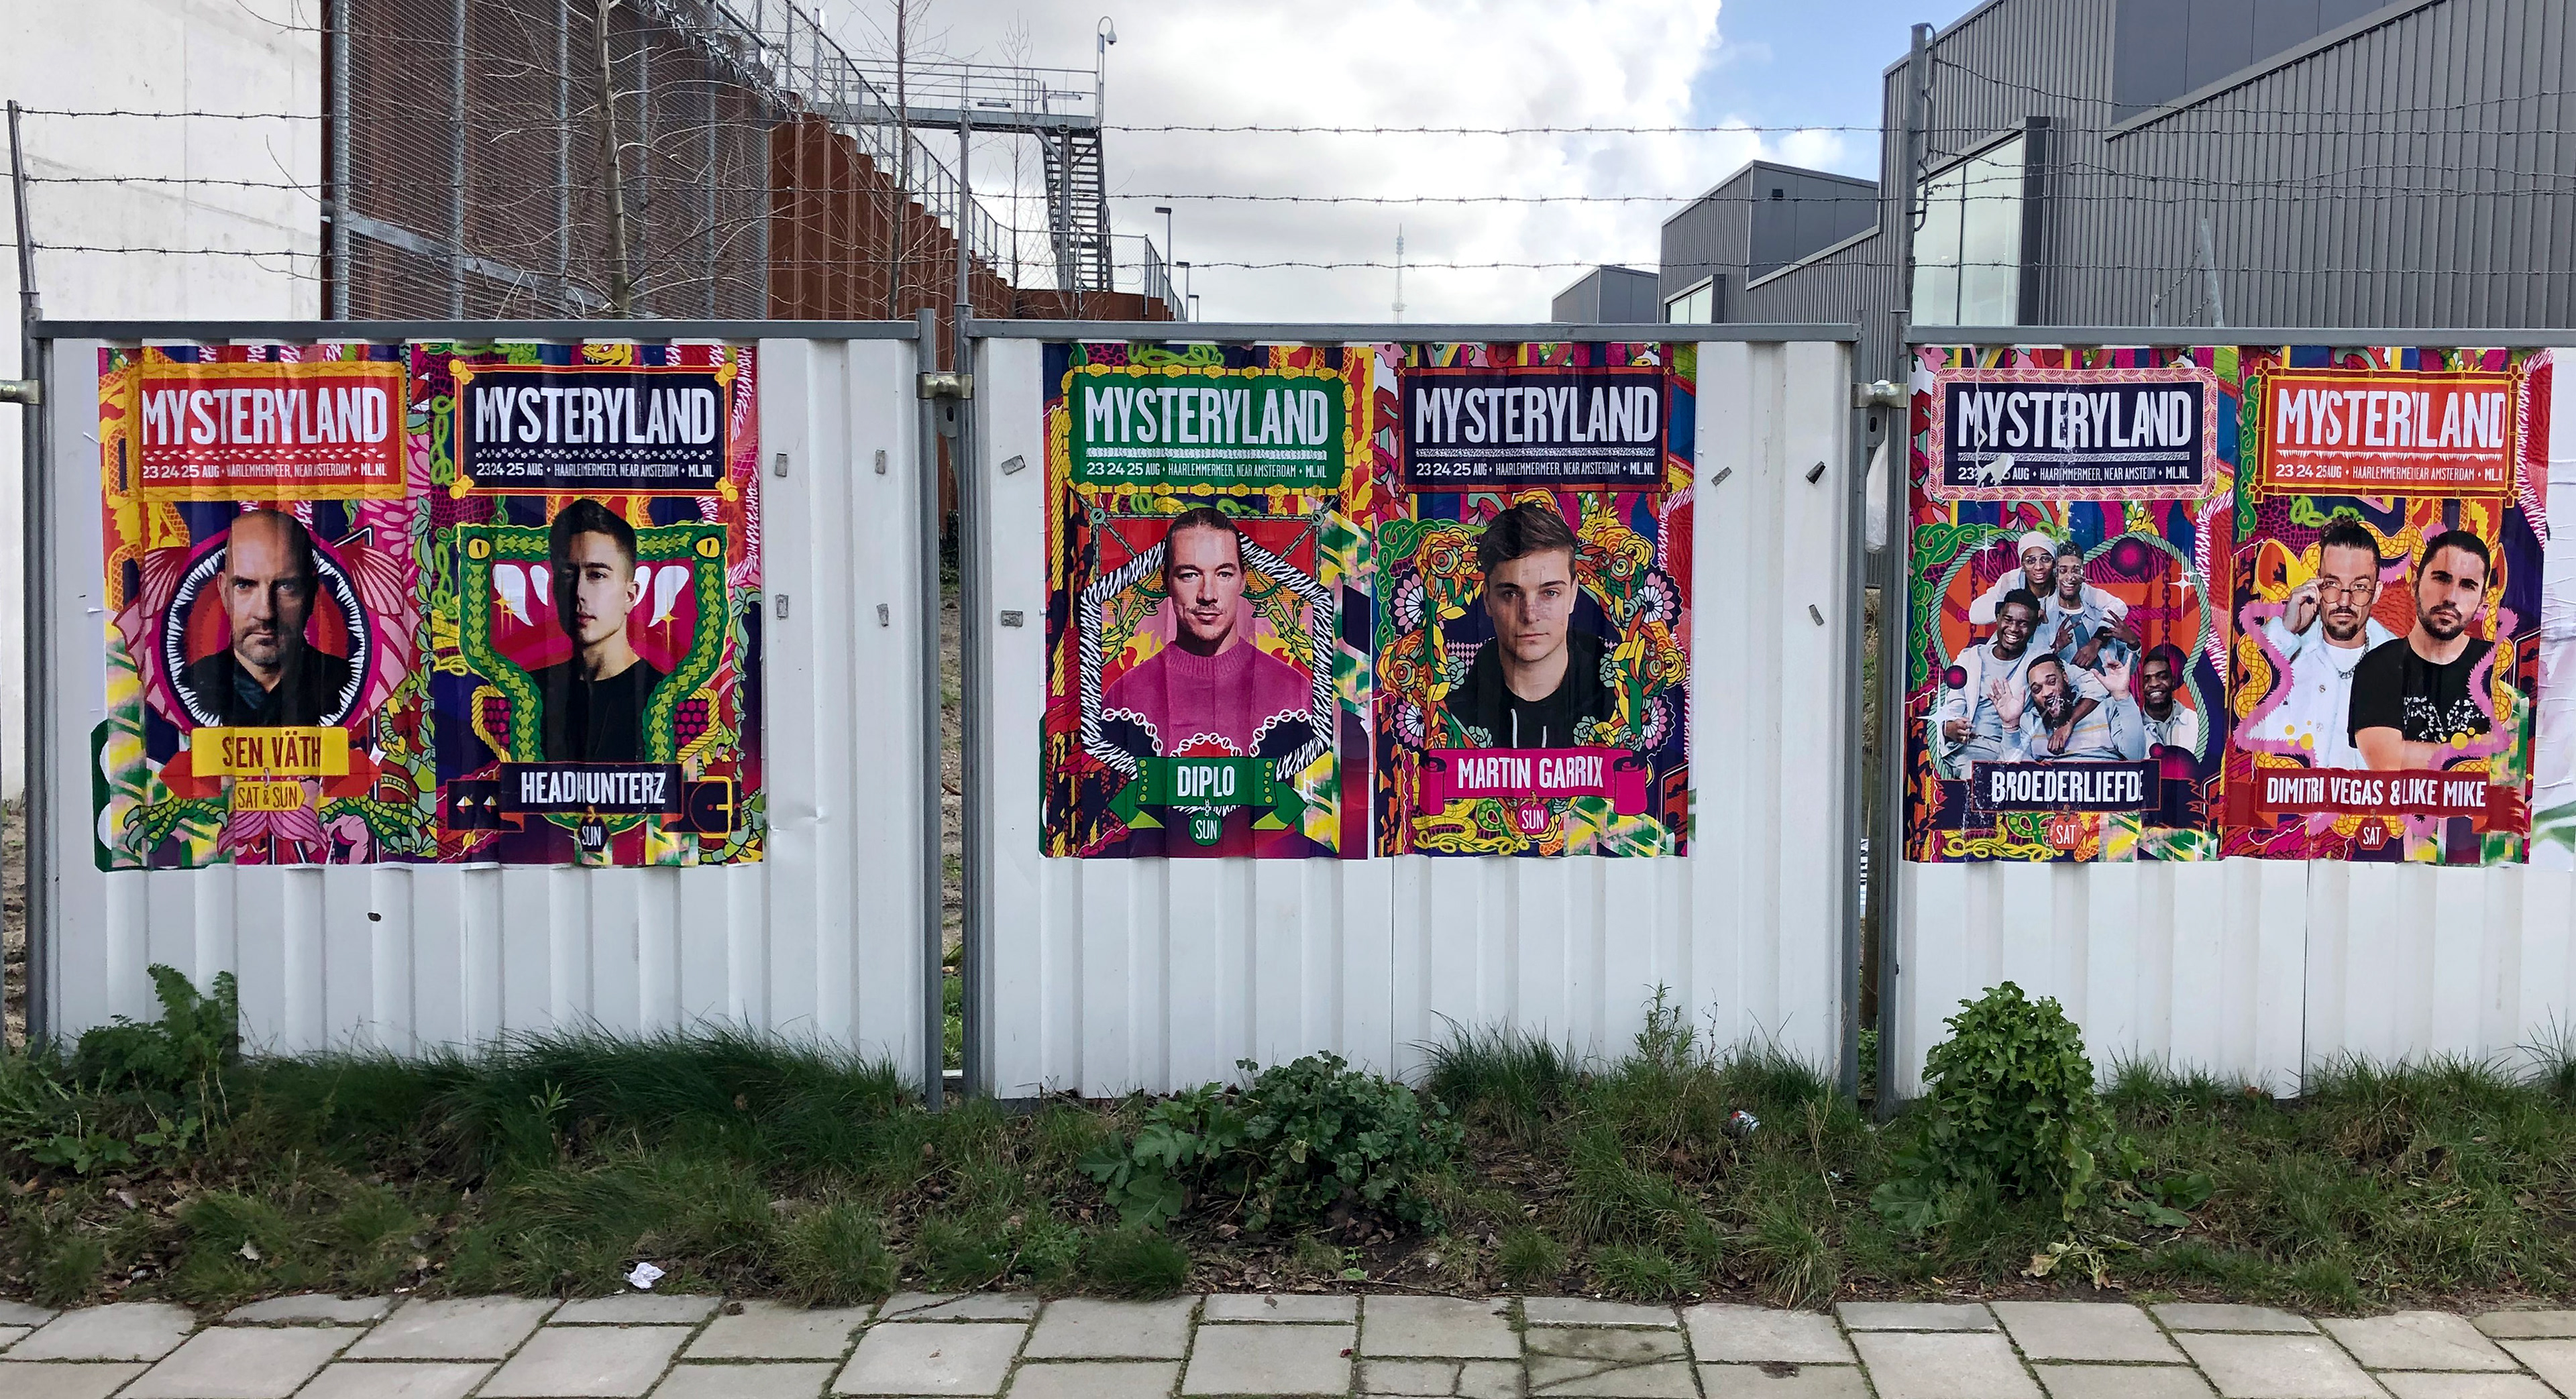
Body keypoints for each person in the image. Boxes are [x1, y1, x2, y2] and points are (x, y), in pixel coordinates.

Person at [1099, 508, 1313, 761]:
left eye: (1224, 574)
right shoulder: (1126, 698)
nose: (1208, 595)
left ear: (1243, 580)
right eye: (1189, 575)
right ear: (1166, 581)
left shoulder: (1294, 693)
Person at [1446, 500, 1615, 748]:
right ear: (1488, 600)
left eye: (1550, 593)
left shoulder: (1616, 700)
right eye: (1511, 594)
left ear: (1573, 595)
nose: (1530, 615)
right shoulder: (1453, 709)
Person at [177, 509, 355, 727]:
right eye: (245, 585)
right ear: (224, 593)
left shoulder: (350, 686)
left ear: (311, 593)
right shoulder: (187, 689)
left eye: (286, 586)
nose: (266, 612)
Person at [2244, 519, 2398, 768]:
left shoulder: (2401, 666)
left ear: (2377, 591)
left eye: (2359, 587)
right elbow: (2240, 718)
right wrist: (2286, 630)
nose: (2344, 602)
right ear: (2317, 584)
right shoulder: (2284, 647)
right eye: (2332, 584)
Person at [530, 499, 665, 763]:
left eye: (597, 575)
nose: (579, 593)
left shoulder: (664, 696)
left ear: (630, 596)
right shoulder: (529, 693)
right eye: (568, 574)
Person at [2349, 528, 2496, 771]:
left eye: (2467, 586)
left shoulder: (2499, 665)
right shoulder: (2377, 667)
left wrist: (2418, 753)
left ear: (2482, 601)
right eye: (2441, 578)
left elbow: (2512, 764)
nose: (2451, 597)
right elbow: (2389, 763)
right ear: (2415, 584)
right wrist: (2485, 748)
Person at [1937, 587, 2105, 765]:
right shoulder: (1970, 659)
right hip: (1973, 749)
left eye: (2023, 623)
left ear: (2035, 626)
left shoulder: (2039, 659)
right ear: (1998, 617)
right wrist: (1949, 728)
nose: (2013, 629)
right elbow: (1951, 709)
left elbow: (2097, 685)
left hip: (2019, 752)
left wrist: (2068, 723)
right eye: (2008, 620)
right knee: (1978, 776)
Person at [2017, 652, 2145, 763]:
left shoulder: (2106, 709)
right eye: (2037, 689)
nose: (2046, 693)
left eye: (2052, 682)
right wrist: (2010, 726)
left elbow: (2136, 755)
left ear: (2065, 678)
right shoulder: (2030, 721)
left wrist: (2122, 696)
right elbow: (2014, 769)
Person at [2041, 541, 2135, 673]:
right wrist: (2055, 649)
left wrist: (2096, 642)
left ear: (2083, 572)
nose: (2070, 577)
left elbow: (2127, 669)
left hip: (2110, 686)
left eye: (2076, 570)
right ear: (2055, 573)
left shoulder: (2102, 614)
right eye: (2063, 570)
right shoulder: (2046, 617)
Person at [1966, 531, 2060, 624]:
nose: (2038, 567)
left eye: (2046, 560)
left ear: (2054, 563)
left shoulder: (2063, 580)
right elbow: (1975, 614)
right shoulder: (2011, 581)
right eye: (2030, 561)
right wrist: (2016, 610)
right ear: (2022, 565)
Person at [2137, 643, 2201, 756]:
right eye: (2147, 679)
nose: (2154, 684)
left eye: (2162, 677)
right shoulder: (2133, 729)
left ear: (2173, 681)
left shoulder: (2196, 722)